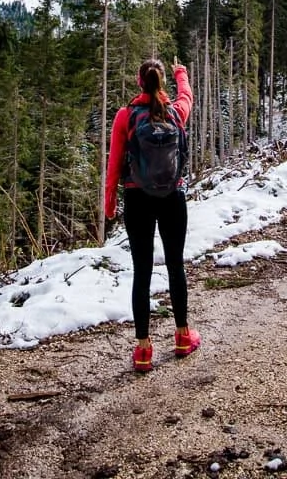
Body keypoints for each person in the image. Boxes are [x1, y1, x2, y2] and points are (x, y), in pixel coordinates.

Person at [105, 58, 200, 372]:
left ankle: (143, 349)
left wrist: (109, 205)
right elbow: (187, 96)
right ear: (162, 83)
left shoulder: (126, 115)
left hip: (137, 199)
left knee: (142, 272)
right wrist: (181, 72)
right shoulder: (175, 112)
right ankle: (183, 336)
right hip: (173, 197)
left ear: (139, 81)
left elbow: (114, 163)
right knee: (175, 266)